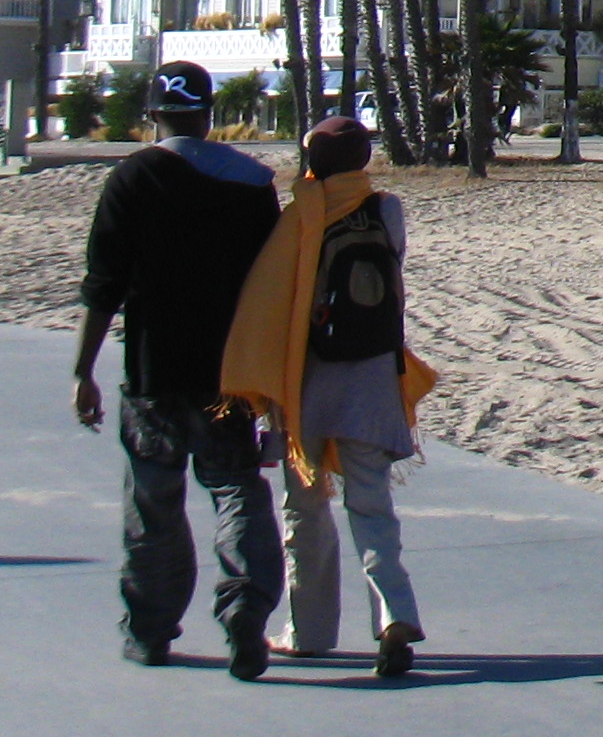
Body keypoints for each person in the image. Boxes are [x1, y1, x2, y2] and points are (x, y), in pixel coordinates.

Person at [72, 59, 285, 676]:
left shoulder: (134, 177)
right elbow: (271, 284)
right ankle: (245, 607)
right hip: (228, 372)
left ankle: (150, 630)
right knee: (236, 488)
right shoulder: (252, 182)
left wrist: (83, 371)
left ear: (153, 113)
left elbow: (103, 284)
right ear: (209, 114)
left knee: (153, 504)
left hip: (154, 371)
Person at [221, 115, 436, 679]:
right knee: (373, 509)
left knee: (305, 511)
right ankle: (395, 616)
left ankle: (309, 631)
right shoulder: (386, 210)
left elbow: (273, 306)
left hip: (308, 386)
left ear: (313, 160)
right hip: (372, 381)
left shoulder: (298, 218)